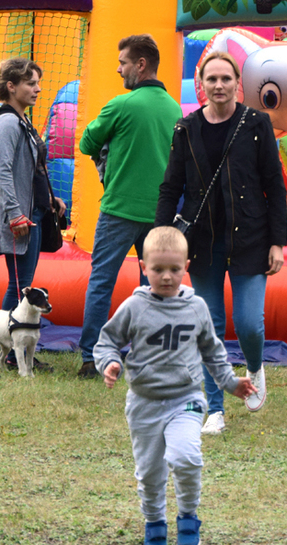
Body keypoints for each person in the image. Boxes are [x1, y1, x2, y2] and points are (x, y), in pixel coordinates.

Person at [93, 226, 256, 545]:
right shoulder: (135, 307)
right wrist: (110, 362)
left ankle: (188, 516)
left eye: (174, 269)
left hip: (186, 398)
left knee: (186, 456)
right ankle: (154, 521)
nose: (167, 277)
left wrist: (230, 382)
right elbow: (107, 340)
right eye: (158, 270)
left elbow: (212, 350)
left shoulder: (195, 307)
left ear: (187, 265)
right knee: (150, 472)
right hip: (144, 403)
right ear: (143, 267)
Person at [156, 51, 287, 434]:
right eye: (211, 79)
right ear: (201, 85)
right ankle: (214, 409)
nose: (218, 86)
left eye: (225, 79)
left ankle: (256, 368)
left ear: (237, 84)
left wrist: (277, 242)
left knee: (249, 324)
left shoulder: (257, 124)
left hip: (250, 237)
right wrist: (160, 239)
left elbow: (274, 188)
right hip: (202, 242)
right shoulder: (186, 128)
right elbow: (170, 188)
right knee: (208, 326)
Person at [77, 34, 183, 380]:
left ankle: (92, 357)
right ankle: (150, 356)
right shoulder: (174, 108)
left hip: (119, 209)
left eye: (122, 62)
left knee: (101, 283)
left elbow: (86, 142)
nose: (118, 68)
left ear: (140, 65)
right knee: (156, 287)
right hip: (158, 215)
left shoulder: (120, 105)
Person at [0, 57, 65, 372]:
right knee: (21, 284)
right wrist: (15, 214)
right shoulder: (6, 122)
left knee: (22, 282)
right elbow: (0, 171)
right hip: (21, 219)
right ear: (11, 87)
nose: (38, 89)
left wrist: (50, 201)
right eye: (31, 83)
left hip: (34, 214)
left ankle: (16, 349)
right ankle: (15, 350)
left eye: (38, 83)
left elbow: (30, 171)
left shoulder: (22, 120)